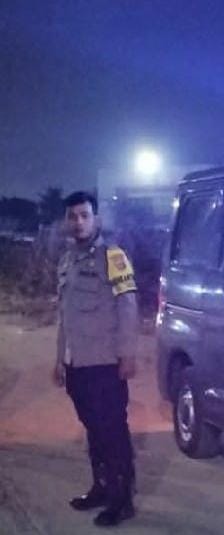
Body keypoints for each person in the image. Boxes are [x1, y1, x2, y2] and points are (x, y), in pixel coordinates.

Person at [53, 191, 138, 527]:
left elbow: (127, 306)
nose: (78, 222)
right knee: (93, 430)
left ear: (96, 219)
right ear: (66, 222)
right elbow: (65, 315)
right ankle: (101, 488)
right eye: (72, 216)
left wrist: (127, 354)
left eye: (84, 215)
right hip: (77, 364)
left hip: (104, 363)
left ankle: (122, 499)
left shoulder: (113, 257)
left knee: (112, 431)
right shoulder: (67, 261)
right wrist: (59, 359)